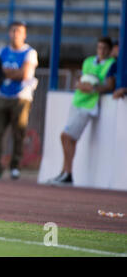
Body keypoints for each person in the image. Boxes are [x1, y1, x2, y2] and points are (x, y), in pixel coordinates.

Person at [47, 37, 116, 186]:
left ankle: (67, 172)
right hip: (77, 101)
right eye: (99, 47)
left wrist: (93, 89)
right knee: (71, 139)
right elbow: (81, 79)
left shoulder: (111, 64)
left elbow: (109, 85)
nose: (101, 51)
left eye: (104, 48)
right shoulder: (89, 61)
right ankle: (65, 173)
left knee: (65, 136)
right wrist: (81, 85)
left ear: (109, 50)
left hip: (88, 105)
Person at [0, 21, 39, 180]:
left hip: (21, 97)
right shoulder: (2, 51)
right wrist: (12, 73)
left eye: (19, 31)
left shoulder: (30, 52)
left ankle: (15, 166)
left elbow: (24, 74)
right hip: (2, 95)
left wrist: (7, 72)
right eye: (13, 31)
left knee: (18, 133)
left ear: (24, 35)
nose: (15, 34)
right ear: (9, 33)